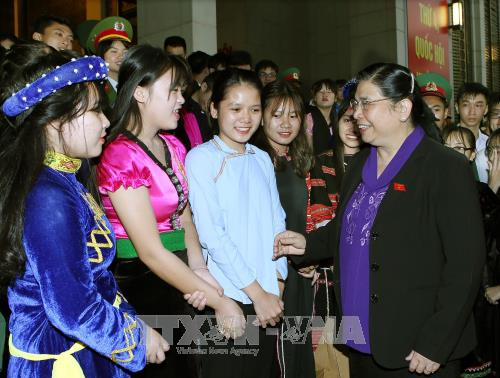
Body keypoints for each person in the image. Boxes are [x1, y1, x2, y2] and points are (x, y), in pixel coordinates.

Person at [274, 62, 485, 377]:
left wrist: (435, 342)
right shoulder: (359, 165)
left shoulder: (444, 168)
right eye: (355, 104)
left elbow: (465, 266)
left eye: (366, 104)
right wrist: (308, 244)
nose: (356, 113)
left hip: (417, 348)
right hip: (361, 337)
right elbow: (350, 229)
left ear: (402, 109)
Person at [0, 47, 169, 377]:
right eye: (94, 111)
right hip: (62, 362)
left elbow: (97, 279)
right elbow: (73, 308)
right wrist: (134, 339)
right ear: (55, 120)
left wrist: (132, 323)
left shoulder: (65, 177)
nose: (106, 121)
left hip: (87, 349)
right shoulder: (47, 196)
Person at [97, 45, 244, 378]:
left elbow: (185, 214)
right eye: (173, 90)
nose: (182, 99)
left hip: (176, 272)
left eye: (182, 90)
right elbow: (149, 251)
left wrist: (198, 270)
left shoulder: (173, 144)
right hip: (142, 282)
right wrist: (218, 302)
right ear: (140, 93)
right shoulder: (121, 155)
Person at [185, 68, 288, 378]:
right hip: (227, 297)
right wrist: (257, 293)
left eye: (255, 110)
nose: (246, 118)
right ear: (214, 109)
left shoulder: (261, 158)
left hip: (268, 298)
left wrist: (278, 284)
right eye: (236, 109)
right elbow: (212, 236)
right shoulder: (201, 158)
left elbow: (277, 222)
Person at [87, 16, 133, 108]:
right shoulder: (94, 89)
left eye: (125, 52)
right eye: (114, 51)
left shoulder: (133, 84)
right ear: (101, 55)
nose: (121, 56)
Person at [455, 82, 490, 183]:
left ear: (486, 109)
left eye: (478, 105)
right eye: (466, 105)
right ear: (457, 107)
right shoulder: (446, 141)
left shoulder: (490, 144)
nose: (472, 111)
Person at [306, 78, 336, 154]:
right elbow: (308, 152)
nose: (325, 95)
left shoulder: (337, 119)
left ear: (335, 98)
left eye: (329, 91)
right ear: (315, 97)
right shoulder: (308, 118)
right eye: (321, 91)